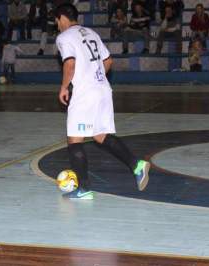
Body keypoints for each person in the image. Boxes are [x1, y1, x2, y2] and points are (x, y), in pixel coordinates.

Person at [54, 3, 150, 199]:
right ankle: (136, 165)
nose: (56, 25)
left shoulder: (64, 37)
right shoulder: (91, 33)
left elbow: (70, 64)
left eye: (56, 21)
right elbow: (108, 61)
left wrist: (64, 87)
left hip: (85, 93)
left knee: (74, 139)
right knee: (100, 135)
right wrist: (93, 75)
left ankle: (84, 188)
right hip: (103, 89)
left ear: (62, 18)